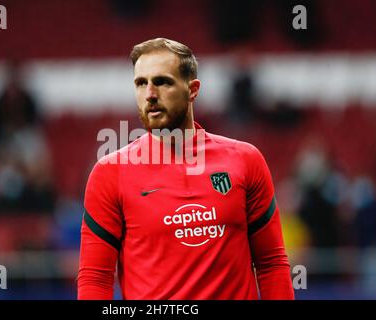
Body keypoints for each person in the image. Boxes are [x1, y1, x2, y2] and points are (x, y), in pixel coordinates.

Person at [77, 38, 294, 300]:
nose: (150, 94)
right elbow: (95, 278)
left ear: (192, 90)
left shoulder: (246, 161)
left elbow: (271, 263)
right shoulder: (109, 173)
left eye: (163, 82)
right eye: (140, 83)